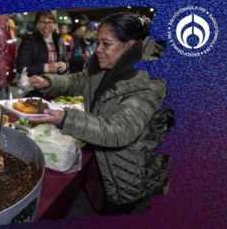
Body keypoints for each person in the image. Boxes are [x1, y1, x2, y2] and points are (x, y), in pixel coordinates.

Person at [27, 12, 173, 215]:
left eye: (106, 44)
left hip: (128, 175)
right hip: (104, 164)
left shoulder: (148, 81)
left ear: (130, 45)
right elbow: (80, 81)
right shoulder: (107, 66)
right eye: (98, 42)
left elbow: (119, 130)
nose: (98, 50)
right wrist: (49, 82)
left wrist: (66, 118)